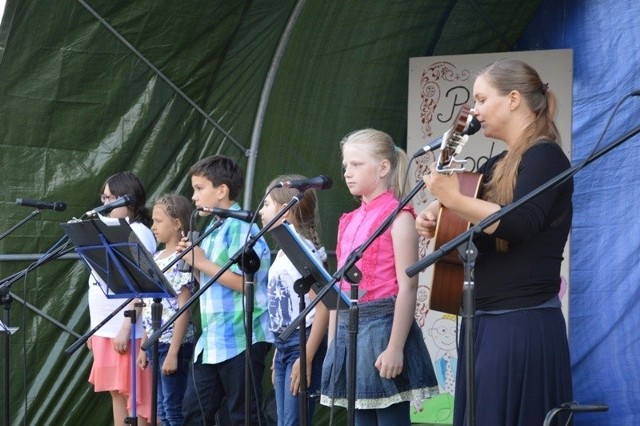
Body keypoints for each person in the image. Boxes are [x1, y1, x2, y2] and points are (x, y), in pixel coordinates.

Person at [416, 58, 574, 425]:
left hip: (522, 325)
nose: (475, 111)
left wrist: (454, 200)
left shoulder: (546, 156)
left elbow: (519, 224)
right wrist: (439, 222)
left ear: (514, 99)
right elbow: (481, 233)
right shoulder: (496, 163)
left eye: (482, 100)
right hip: (486, 323)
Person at [320, 129, 439, 426]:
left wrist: (396, 346)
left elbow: (408, 285)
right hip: (350, 331)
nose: (348, 172)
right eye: (346, 165)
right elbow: (339, 287)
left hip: (384, 329)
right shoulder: (347, 221)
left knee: (389, 418)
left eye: (357, 164)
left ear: (384, 168)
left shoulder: (399, 217)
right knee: (359, 419)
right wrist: (334, 342)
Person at [178, 155, 272, 425]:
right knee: (194, 412)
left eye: (199, 189)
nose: (194, 197)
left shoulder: (242, 228)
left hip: (241, 337)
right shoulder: (214, 228)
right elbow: (210, 281)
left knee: (242, 415)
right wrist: (194, 264)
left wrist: (204, 262)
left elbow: (246, 283)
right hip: (212, 340)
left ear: (222, 191)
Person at [258, 174, 329, 426]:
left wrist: (306, 356)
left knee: (292, 421)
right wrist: (279, 352)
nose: (261, 212)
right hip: (286, 344)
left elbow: (323, 308)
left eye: (267, 205)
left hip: (303, 343)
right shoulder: (283, 252)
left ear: (287, 211)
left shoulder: (302, 251)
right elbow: (286, 308)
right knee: (283, 421)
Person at [87, 171, 156, 425]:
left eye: (111, 198)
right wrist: (94, 329)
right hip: (105, 328)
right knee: (117, 393)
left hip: (127, 330)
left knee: (136, 399)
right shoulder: (110, 229)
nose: (105, 204)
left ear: (128, 200)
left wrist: (126, 327)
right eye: (103, 197)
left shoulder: (139, 231)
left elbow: (143, 285)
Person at [136, 193, 195, 426]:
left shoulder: (183, 257)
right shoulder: (157, 256)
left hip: (174, 344)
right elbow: (149, 304)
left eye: (158, 221)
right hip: (155, 342)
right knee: (160, 406)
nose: (153, 227)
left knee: (173, 407)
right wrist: (144, 344)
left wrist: (173, 352)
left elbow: (184, 306)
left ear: (177, 223)